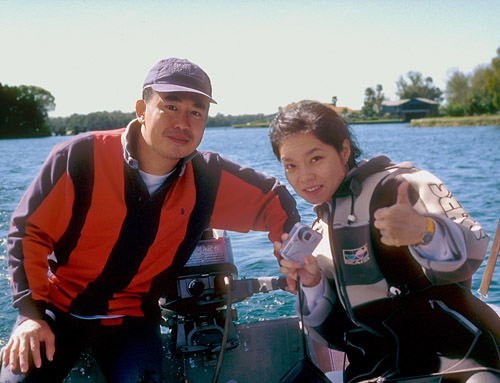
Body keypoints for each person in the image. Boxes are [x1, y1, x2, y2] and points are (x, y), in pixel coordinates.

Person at [0, 58, 299, 383]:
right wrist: (30, 315)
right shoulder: (80, 158)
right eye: (170, 106)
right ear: (142, 109)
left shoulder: (207, 179)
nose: (183, 122)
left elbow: (275, 200)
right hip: (56, 310)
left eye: (196, 112)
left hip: (132, 320)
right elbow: (28, 233)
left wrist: (291, 255)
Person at [270, 101, 500, 383]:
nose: (304, 176)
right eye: (291, 166)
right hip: (374, 372)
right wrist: (312, 283)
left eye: (315, 158)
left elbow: (473, 247)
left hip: (461, 360)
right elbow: (333, 336)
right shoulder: (319, 232)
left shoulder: (404, 185)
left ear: (344, 151)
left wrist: (424, 231)